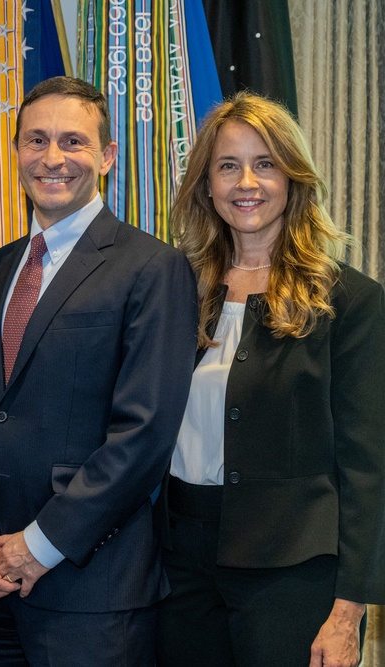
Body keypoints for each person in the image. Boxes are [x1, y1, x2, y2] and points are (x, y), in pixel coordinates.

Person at [0, 76, 198, 665]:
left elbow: (144, 436)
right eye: (36, 140)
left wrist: (38, 547)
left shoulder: (153, 269)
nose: (53, 158)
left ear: (107, 156)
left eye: (74, 142)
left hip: (96, 591)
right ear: (16, 154)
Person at [155, 92, 385, 667]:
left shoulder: (350, 303)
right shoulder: (172, 291)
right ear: (206, 184)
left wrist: (348, 611)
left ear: (293, 178)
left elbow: (367, 468)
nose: (246, 182)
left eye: (265, 164)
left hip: (292, 572)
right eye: (228, 166)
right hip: (178, 563)